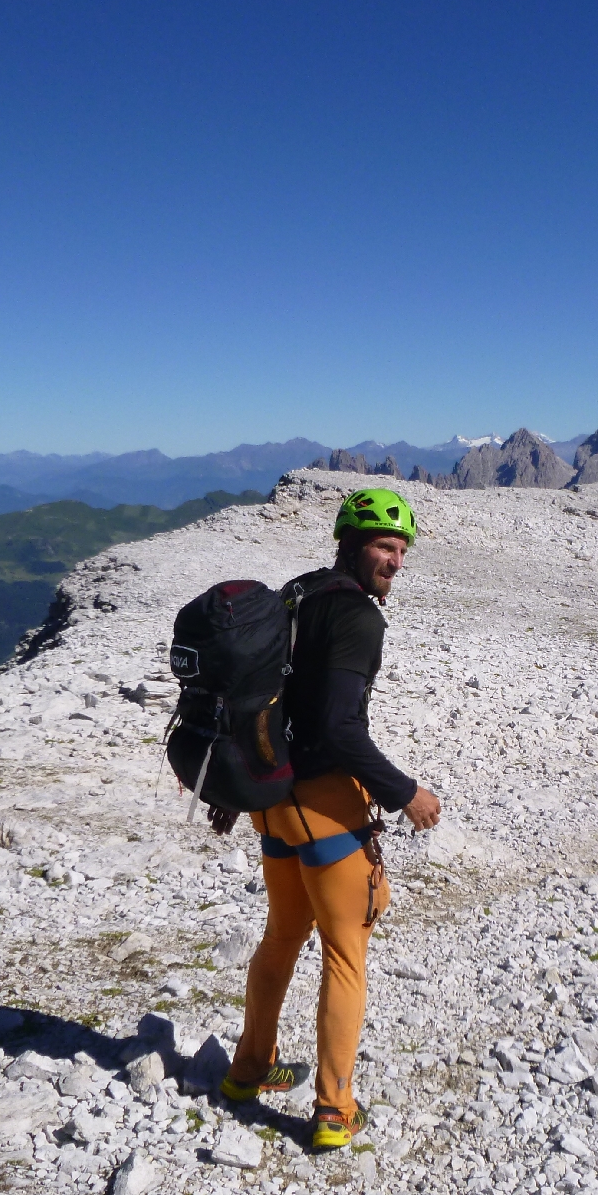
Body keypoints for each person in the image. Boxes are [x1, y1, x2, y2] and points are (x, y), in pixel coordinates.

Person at [217, 486, 442, 1151]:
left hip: (275, 804)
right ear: (352, 542)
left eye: (401, 550)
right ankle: (335, 1110)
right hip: (323, 805)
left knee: (284, 934)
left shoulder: (296, 593)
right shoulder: (357, 617)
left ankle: (247, 1070)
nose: (396, 562)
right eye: (384, 546)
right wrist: (406, 793)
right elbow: (340, 728)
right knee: (346, 954)